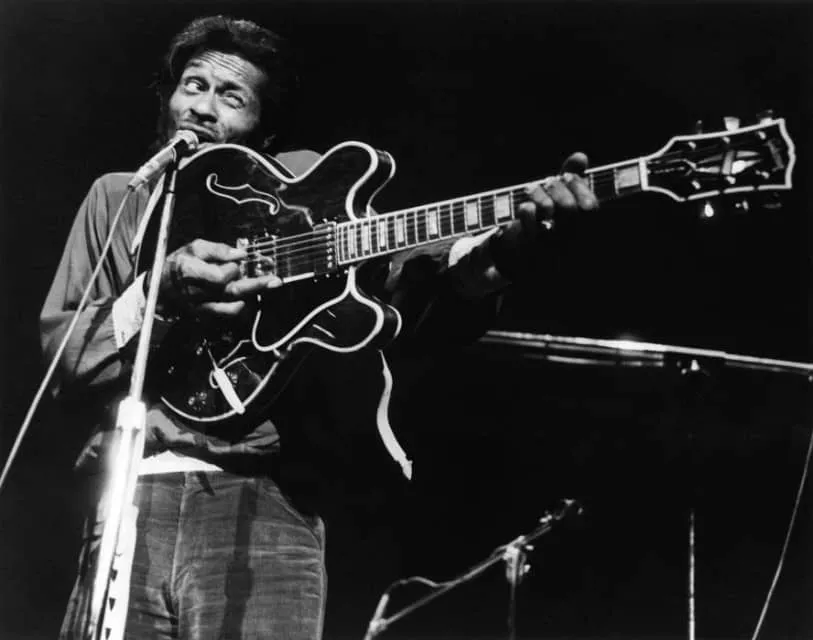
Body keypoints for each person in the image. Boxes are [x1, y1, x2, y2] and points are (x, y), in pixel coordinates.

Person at [40, 14, 598, 640]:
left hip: (268, 503)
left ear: (263, 129)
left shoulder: (304, 193)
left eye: (231, 96)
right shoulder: (118, 197)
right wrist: (158, 293)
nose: (201, 107)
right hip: (127, 495)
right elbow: (65, 355)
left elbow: (413, 281)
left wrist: (506, 253)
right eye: (193, 85)